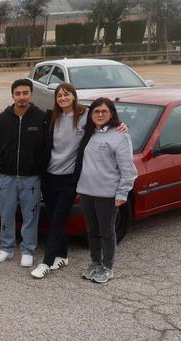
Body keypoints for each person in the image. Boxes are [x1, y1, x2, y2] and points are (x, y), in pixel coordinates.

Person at [76, 97, 137, 284]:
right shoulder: (87, 133)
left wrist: (122, 193)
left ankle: (107, 267)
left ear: (111, 114)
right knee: (92, 230)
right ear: (91, 114)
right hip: (86, 192)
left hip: (107, 194)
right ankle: (95, 262)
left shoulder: (120, 136)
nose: (100, 114)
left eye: (104, 111)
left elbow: (128, 169)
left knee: (107, 231)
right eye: (96, 111)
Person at [0, 78, 48, 268]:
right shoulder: (3, 119)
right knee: (6, 214)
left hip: (31, 178)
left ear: (31, 94)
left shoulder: (41, 117)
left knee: (30, 215)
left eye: (25, 93)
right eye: (17, 93)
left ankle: (28, 250)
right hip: (7, 176)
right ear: (12, 95)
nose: (21, 97)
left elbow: (46, 147)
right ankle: (6, 248)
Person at [32, 82, 86, 280]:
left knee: (57, 221)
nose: (63, 98)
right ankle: (62, 256)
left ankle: (46, 262)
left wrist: (121, 125)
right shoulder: (52, 117)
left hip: (69, 179)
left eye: (66, 94)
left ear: (74, 96)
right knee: (55, 217)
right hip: (49, 176)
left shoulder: (85, 116)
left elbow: (105, 119)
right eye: (59, 95)